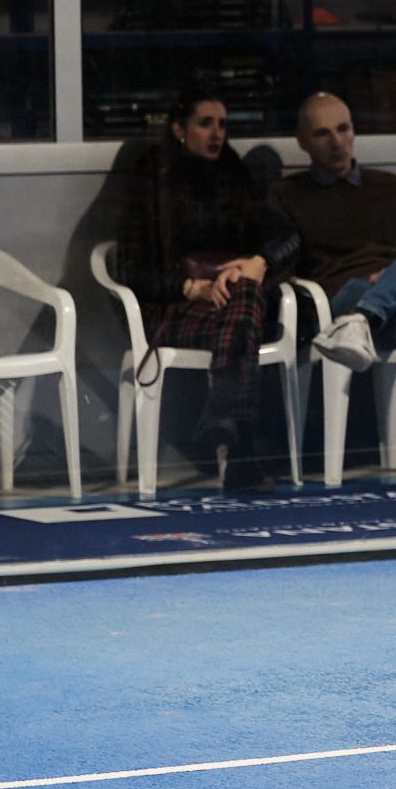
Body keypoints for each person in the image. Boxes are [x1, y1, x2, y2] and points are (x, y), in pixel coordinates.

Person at [270, 92, 396, 490]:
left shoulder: (392, 187)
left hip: (393, 294)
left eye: (344, 129)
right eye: (323, 134)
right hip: (341, 298)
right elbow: (282, 266)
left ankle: (367, 315)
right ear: (303, 142)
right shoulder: (288, 195)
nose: (337, 142)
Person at [115, 87, 300, 493]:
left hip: (231, 304)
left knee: (246, 294)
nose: (217, 134)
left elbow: (287, 235)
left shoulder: (233, 173)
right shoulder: (152, 177)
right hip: (171, 308)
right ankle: (239, 448)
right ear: (179, 129)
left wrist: (259, 261)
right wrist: (190, 288)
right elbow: (130, 267)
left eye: (222, 125)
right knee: (246, 313)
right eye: (205, 124)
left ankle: (224, 417)